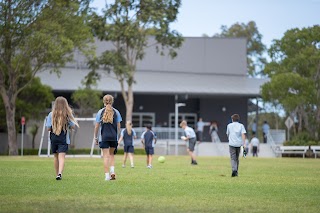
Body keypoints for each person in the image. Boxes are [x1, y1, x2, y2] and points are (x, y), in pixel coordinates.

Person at [46, 96, 79, 180]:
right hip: (63, 138)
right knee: (62, 157)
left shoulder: (51, 114)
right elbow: (73, 126)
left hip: (53, 137)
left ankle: (57, 174)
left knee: (55, 156)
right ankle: (60, 173)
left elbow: (48, 128)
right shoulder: (67, 114)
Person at [93, 94, 122, 181]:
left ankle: (106, 176)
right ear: (112, 101)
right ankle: (112, 172)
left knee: (105, 156)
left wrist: (95, 137)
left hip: (104, 137)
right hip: (113, 137)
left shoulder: (100, 112)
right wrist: (118, 136)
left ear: (104, 102)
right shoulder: (116, 112)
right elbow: (119, 126)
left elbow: (97, 126)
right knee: (112, 155)